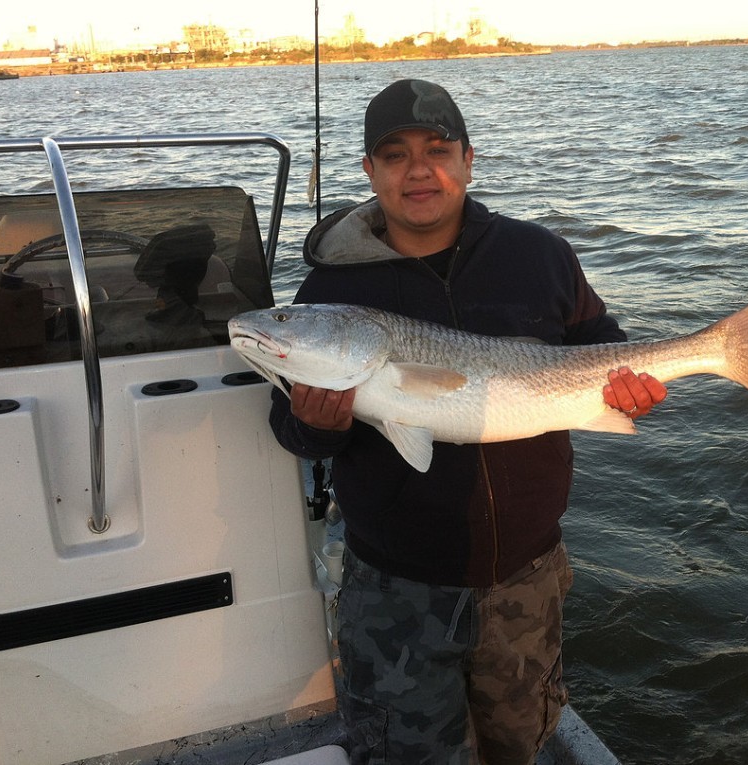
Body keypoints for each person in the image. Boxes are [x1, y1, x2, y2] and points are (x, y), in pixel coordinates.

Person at [269, 79, 667, 764]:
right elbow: (289, 427)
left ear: (469, 160)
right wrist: (319, 424)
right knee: (405, 753)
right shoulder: (333, 290)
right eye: (395, 155)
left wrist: (630, 391)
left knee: (520, 745)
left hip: (527, 572)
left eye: (437, 149)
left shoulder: (538, 253)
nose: (419, 170)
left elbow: (600, 341)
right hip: (393, 583)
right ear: (369, 172)